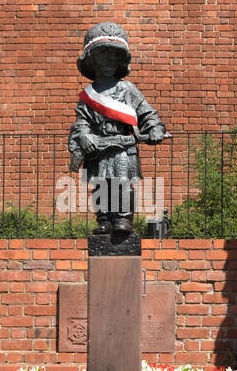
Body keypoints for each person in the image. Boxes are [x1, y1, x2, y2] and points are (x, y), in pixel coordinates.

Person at [67, 22, 169, 234]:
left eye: (114, 57)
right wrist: (85, 137)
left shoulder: (128, 89)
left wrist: (155, 128)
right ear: (93, 60)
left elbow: (147, 113)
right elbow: (81, 122)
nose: (108, 62)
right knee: (100, 184)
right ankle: (104, 218)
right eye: (103, 56)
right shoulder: (88, 95)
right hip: (97, 148)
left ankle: (123, 219)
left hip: (123, 147)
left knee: (121, 183)